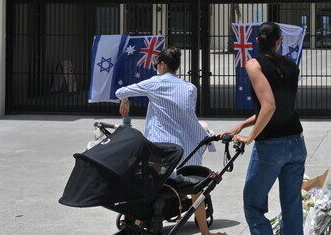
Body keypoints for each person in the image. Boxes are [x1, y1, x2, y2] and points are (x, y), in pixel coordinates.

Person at [116, 47, 223, 235]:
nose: (156, 67)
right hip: (187, 151)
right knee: (196, 190)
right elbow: (187, 117)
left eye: (157, 64)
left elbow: (120, 91)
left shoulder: (154, 83)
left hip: (162, 155)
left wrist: (125, 100)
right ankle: (205, 232)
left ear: (163, 64)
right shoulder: (190, 88)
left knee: (150, 186)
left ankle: (137, 224)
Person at [223, 22, 306, 235]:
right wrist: (243, 123)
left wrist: (249, 137)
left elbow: (269, 106)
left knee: (253, 205)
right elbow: (278, 106)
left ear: (258, 41)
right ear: (279, 42)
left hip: (271, 145)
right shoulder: (291, 66)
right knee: (292, 205)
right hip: (296, 142)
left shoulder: (254, 64)